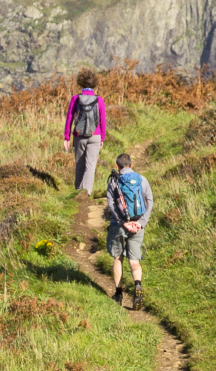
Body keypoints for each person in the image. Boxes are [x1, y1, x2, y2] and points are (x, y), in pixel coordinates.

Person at [103, 153, 154, 308]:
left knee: (118, 257)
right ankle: (137, 285)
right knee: (134, 260)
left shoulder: (114, 181)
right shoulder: (142, 180)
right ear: (132, 164)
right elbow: (149, 202)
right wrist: (140, 223)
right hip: (137, 225)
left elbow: (111, 205)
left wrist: (122, 222)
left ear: (117, 166)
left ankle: (118, 293)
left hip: (118, 226)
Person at [60, 69, 108, 198]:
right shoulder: (99, 100)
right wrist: (102, 138)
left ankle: (78, 192)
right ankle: (86, 193)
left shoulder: (76, 98)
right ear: (94, 84)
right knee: (90, 165)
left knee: (80, 164)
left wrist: (66, 137)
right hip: (95, 136)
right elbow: (103, 121)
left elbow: (69, 118)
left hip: (79, 135)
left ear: (80, 83)